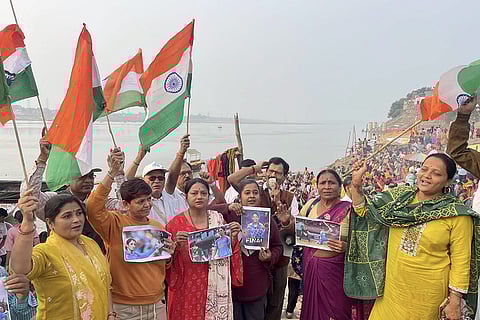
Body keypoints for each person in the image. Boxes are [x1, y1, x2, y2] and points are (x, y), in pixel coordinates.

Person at [346, 153, 479, 319]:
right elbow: (364, 210)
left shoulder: (457, 214)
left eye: (436, 173)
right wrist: (356, 184)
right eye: (424, 169)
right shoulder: (399, 198)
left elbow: (462, 261)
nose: (427, 176)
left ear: (448, 181)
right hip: (392, 293)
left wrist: (455, 301)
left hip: (428, 298)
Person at [86, 148, 176, 320]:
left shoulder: (158, 227)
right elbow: (93, 208)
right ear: (125, 204)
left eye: (149, 199)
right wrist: (112, 173)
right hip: (124, 307)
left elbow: (163, 265)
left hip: (157, 303)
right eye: (140, 201)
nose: (147, 205)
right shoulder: (114, 223)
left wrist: (169, 254)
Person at [11, 191, 113, 319]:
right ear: (50, 223)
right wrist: (27, 222)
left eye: (79, 213)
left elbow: (104, 284)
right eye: (67, 216)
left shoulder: (91, 244)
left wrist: (110, 313)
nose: (76, 220)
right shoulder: (46, 252)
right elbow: (20, 269)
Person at [20, 135, 125, 252]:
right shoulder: (54, 201)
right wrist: (42, 159)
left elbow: (125, 207)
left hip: (97, 261)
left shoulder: (101, 202)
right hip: (62, 261)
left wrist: (119, 173)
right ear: (68, 179)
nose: (88, 181)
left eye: (91, 176)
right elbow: (29, 195)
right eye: (82, 177)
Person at [228, 157, 299, 320]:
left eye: (278, 173)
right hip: (253, 256)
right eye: (271, 171)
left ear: (284, 177)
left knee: (276, 299)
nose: (274, 175)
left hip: (278, 256)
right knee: (255, 298)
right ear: (265, 173)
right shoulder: (255, 190)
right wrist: (254, 168)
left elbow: (295, 229)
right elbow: (232, 179)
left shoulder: (289, 197)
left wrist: (285, 219)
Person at [166, 178, 243, 320]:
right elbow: (166, 259)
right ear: (186, 197)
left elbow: (227, 250)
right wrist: (175, 246)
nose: (199, 196)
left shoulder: (218, 219)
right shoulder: (175, 224)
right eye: (194, 193)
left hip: (213, 281)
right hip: (186, 283)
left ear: (209, 196)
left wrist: (232, 237)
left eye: (203, 193)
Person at [211, 178, 284, 320]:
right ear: (240, 196)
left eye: (255, 193)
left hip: (257, 285)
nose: (251, 196)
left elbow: (278, 246)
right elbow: (204, 210)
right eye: (247, 193)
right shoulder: (228, 215)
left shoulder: (266, 219)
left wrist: (270, 256)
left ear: (260, 196)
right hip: (230, 286)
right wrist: (227, 207)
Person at [298, 169, 358, 320]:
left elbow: (361, 240)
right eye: (322, 183)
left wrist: (346, 247)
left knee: (336, 312)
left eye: (331, 183)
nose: (327, 186)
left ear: (340, 187)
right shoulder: (311, 205)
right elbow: (298, 226)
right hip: (311, 268)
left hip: (336, 273)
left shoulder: (349, 209)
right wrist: (286, 221)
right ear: (317, 186)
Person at [123, 137, 191, 224]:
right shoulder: (139, 201)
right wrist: (138, 158)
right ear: (143, 180)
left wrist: (182, 152)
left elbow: (172, 177)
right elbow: (125, 184)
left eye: (161, 178)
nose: (157, 181)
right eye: (152, 178)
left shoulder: (170, 196)